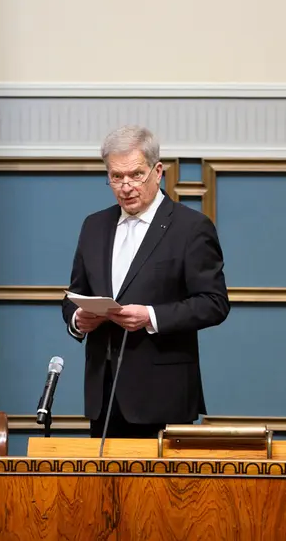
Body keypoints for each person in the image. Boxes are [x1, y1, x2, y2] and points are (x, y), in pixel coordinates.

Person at [61, 125, 230, 439]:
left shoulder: (191, 227)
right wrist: (78, 318)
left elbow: (214, 303)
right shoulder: (94, 225)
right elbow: (75, 293)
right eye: (116, 177)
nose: (126, 186)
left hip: (163, 395)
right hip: (104, 395)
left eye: (135, 175)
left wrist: (151, 316)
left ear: (158, 171)